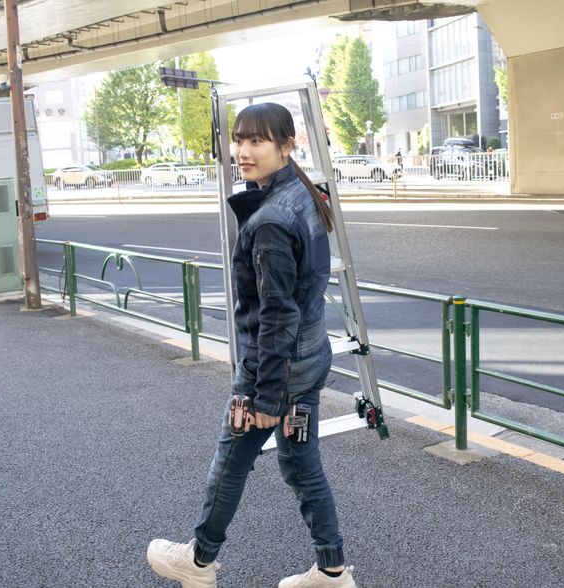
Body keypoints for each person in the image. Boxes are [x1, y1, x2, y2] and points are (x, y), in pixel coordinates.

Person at [146, 102, 356, 588]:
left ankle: (198, 561)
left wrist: (264, 398)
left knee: (231, 462)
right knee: (302, 465)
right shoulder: (303, 193)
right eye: (239, 139)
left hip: (274, 370)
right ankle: (331, 572)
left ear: (287, 145)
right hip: (308, 359)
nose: (242, 150)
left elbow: (276, 314)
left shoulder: (270, 221)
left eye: (257, 140)